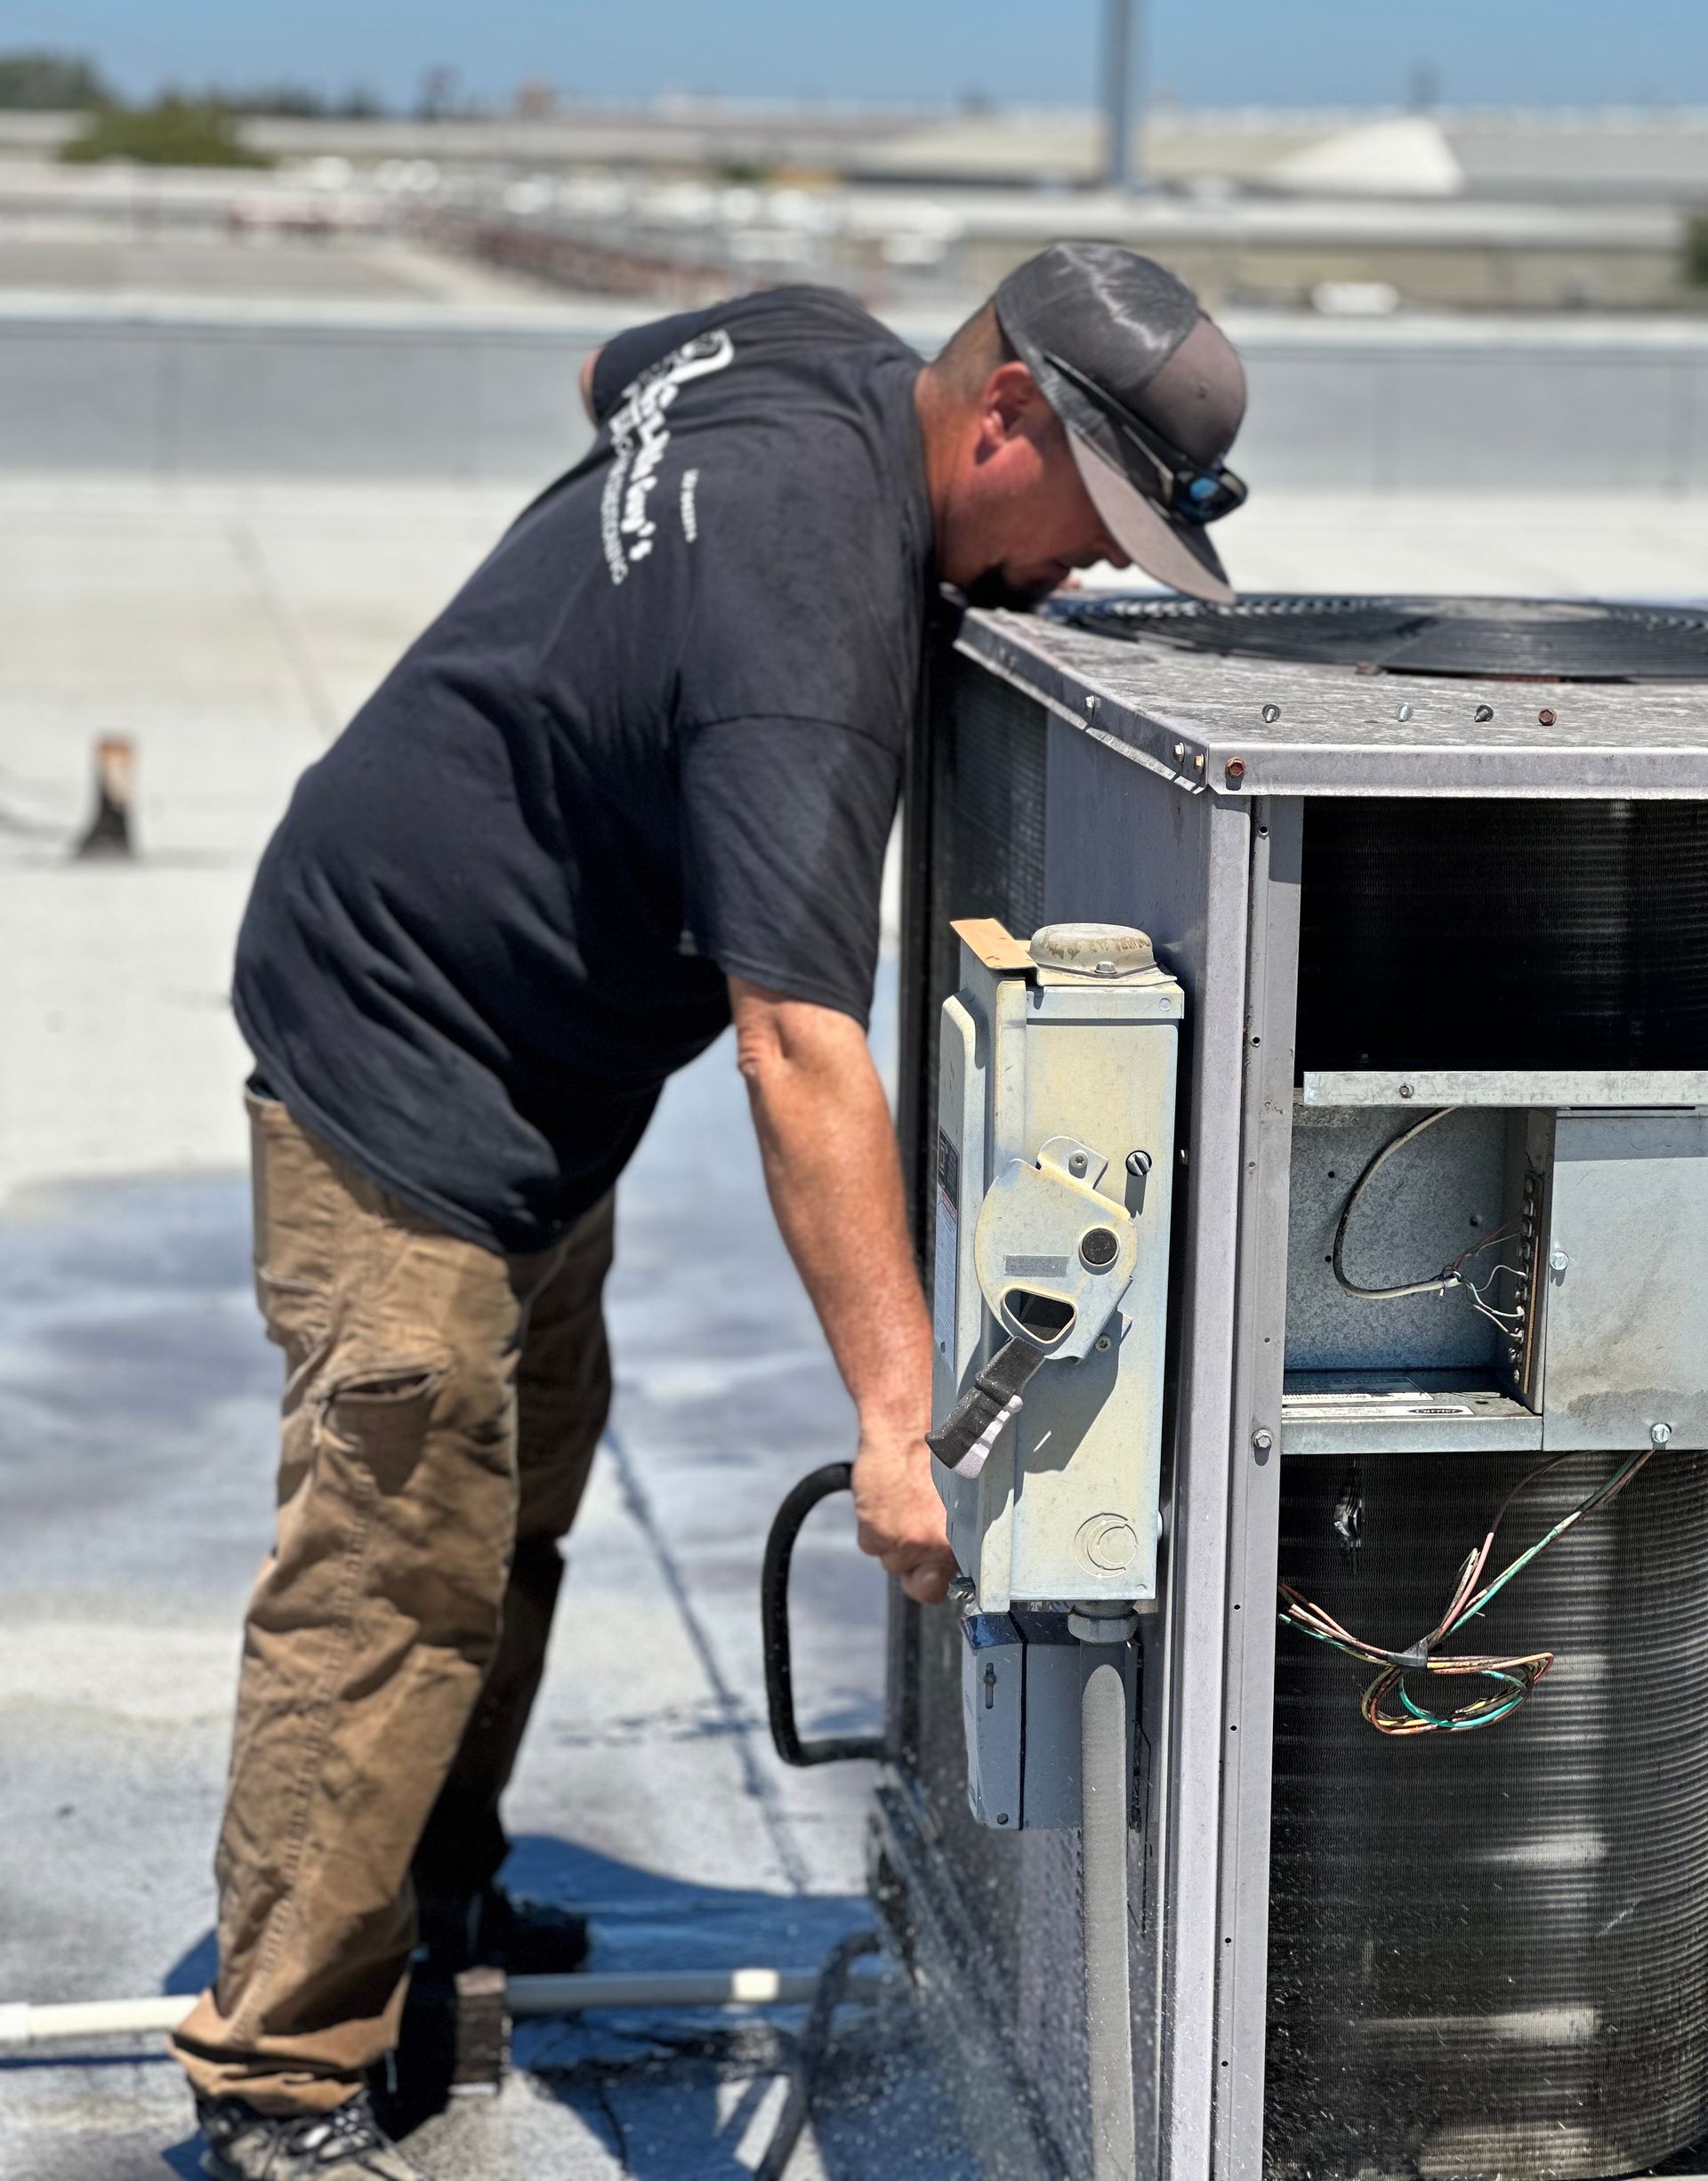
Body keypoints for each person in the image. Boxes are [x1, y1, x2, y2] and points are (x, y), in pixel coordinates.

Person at [171, 240, 1249, 2179]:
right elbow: (795, 1049)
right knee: (393, 1560)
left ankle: (436, 1894)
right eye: (1085, 519)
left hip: (526, 1065)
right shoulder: (808, 646)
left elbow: (613, 366)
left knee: (511, 1506)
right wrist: (902, 1418)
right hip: (404, 1046)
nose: (1081, 572)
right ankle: (279, 2072)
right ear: (1000, 413)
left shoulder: (805, 346)